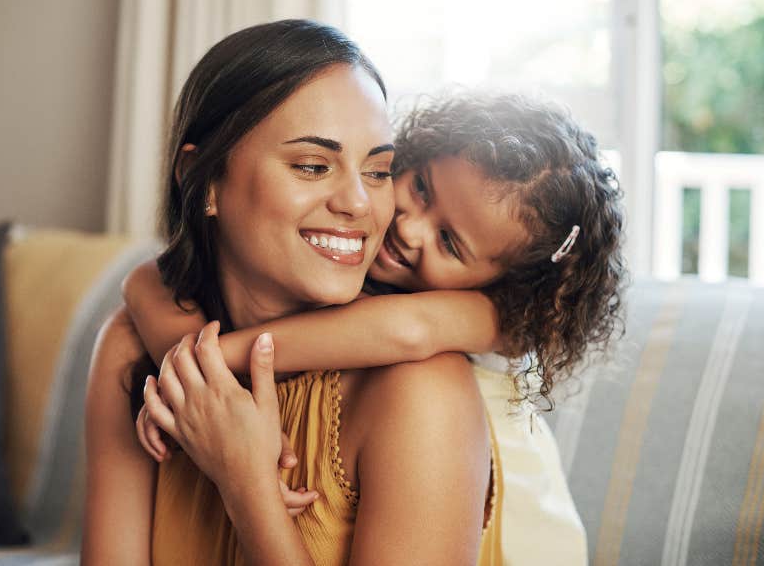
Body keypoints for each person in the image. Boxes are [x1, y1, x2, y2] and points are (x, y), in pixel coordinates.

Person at [128, 91, 625, 563]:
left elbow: (402, 332)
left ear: (508, 284)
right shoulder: (352, 259)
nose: (410, 228)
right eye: (422, 188)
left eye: (449, 243)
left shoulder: (502, 318)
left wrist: (211, 363)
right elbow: (146, 282)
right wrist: (188, 384)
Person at [82, 19, 499, 566]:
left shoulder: (421, 389)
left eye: (377, 171)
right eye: (312, 165)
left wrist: (247, 486)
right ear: (202, 178)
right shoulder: (132, 352)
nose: (358, 203)